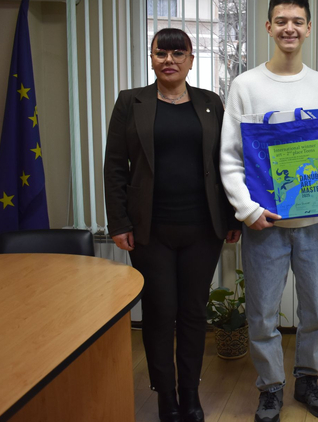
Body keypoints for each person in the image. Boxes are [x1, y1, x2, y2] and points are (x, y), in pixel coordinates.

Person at [104, 28, 242, 422]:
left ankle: (190, 394)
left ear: (191, 59)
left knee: (194, 313)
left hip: (203, 229)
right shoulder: (131, 102)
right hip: (150, 230)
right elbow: (115, 166)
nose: (169, 60)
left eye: (178, 53)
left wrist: (232, 217)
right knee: (160, 312)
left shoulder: (210, 102)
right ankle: (166, 396)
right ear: (151, 58)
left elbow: (226, 163)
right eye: (161, 53)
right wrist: (119, 222)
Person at [219, 0, 318, 422]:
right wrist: (248, 210)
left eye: (298, 21)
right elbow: (230, 157)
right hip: (264, 224)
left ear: (308, 28)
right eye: (282, 21)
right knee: (262, 314)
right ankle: (270, 387)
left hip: (313, 221)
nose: (290, 28)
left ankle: (308, 379)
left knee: (314, 311)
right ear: (269, 27)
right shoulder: (245, 86)